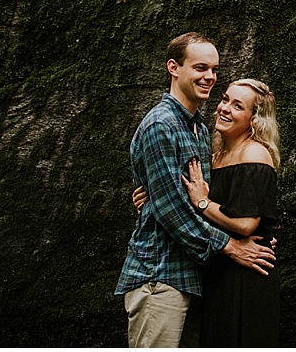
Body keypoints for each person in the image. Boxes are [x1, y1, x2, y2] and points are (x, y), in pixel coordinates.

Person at [115, 33, 275, 348]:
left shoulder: (198, 129)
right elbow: (171, 209)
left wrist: (257, 229)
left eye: (214, 69)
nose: (209, 77)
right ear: (174, 68)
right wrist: (232, 245)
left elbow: (199, 197)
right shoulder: (161, 126)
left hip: (192, 277)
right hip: (157, 276)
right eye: (200, 67)